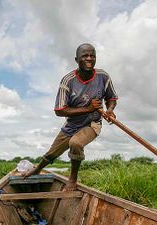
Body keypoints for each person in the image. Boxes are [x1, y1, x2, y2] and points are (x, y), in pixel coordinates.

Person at [23, 43, 117, 191]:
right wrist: (88, 108)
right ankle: (37, 169)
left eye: (92, 56)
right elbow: (60, 110)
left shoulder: (103, 77)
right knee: (51, 154)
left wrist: (110, 109)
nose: (89, 59)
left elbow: (111, 97)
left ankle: (72, 179)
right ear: (76, 59)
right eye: (85, 56)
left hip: (92, 124)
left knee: (75, 143)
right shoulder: (68, 80)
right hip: (72, 125)